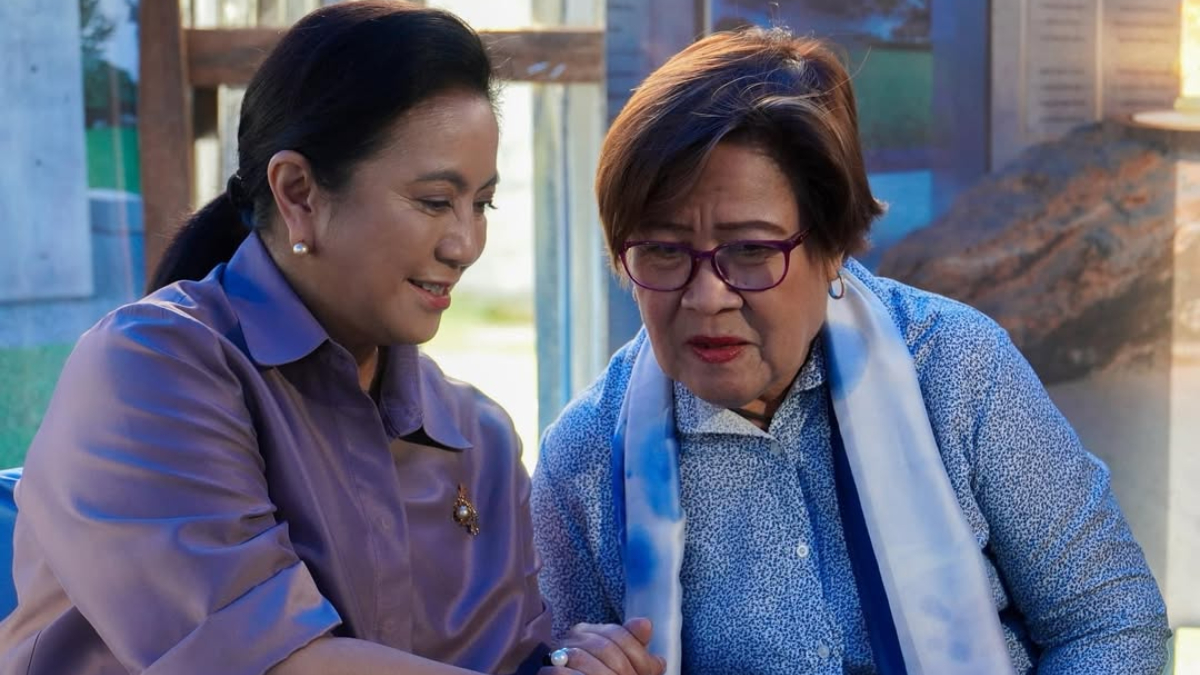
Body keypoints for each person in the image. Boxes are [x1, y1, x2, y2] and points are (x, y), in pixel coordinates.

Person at [0, 3, 663, 675]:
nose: (465, 244)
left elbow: (513, 657)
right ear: (298, 193)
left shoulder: (479, 438)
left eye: (481, 204)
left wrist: (570, 664)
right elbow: (265, 664)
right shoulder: (148, 371)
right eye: (436, 201)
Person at [531, 27, 1171, 674]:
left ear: (833, 245)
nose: (706, 297)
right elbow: (559, 652)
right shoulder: (583, 463)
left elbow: (1111, 620)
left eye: (750, 250)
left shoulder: (956, 369)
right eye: (663, 251)